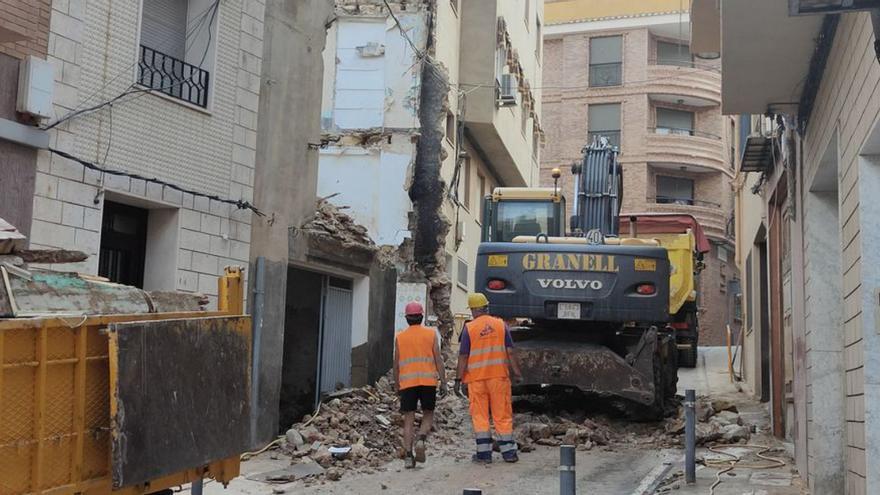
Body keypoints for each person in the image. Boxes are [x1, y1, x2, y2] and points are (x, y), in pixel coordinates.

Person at [454, 293, 523, 463]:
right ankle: (509, 452)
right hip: (498, 378)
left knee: (480, 416)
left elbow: (463, 356)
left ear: (473, 310)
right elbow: (510, 351)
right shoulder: (501, 325)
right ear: (486, 307)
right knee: (502, 414)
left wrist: (458, 379)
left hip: (477, 380)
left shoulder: (469, 328)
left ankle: (484, 454)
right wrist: (517, 373)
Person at [393, 301, 447, 469]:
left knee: (408, 419)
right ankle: (421, 439)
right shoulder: (431, 335)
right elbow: (438, 359)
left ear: (407, 318)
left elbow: (396, 364)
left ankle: (409, 456)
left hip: (407, 383)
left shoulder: (400, 337)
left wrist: (397, 385)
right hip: (428, 382)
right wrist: (443, 381)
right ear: (422, 317)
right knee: (428, 414)